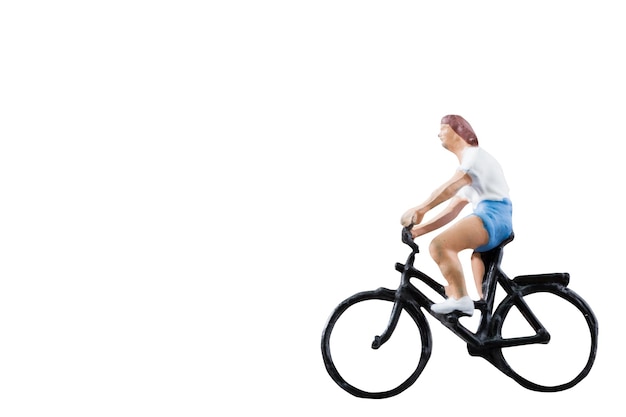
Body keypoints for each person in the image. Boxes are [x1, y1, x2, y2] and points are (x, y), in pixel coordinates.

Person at [400, 115, 512, 316]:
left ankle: (461, 299)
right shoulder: (472, 170)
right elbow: (451, 210)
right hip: (491, 216)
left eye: (443, 129)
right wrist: (418, 231)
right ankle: (485, 328)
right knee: (486, 303)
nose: (438, 134)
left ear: (458, 131)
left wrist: (421, 209)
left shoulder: (474, 156)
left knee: (440, 246)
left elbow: (449, 188)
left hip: (494, 216)